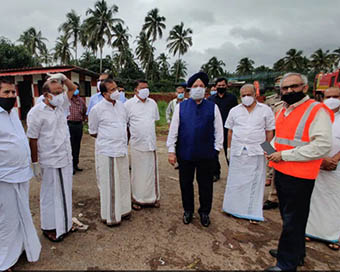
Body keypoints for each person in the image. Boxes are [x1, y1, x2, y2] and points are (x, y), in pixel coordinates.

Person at [266, 72, 333, 271]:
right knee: (290, 217)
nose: (288, 91)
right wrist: (267, 150)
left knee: (293, 219)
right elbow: (278, 139)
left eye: (293, 87)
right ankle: (295, 253)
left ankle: (286, 264)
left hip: (300, 175)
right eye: (285, 88)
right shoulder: (283, 111)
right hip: (283, 172)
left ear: (304, 87)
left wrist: (283, 156)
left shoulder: (316, 110)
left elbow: (322, 146)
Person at [167, 71, 224, 227]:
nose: (198, 88)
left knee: (206, 185)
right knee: (186, 184)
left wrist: (216, 150)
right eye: (195, 86)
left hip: (206, 154)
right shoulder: (181, 107)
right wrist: (171, 150)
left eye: (201, 86)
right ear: (189, 89)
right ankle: (188, 211)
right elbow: (174, 130)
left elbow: (219, 131)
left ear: (205, 89)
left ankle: (204, 212)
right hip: (185, 153)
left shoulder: (213, 108)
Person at [27, 73, 77, 242]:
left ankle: (65, 224)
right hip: (48, 159)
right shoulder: (36, 112)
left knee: (65, 193)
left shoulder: (61, 105)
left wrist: (63, 78)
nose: (60, 94)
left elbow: (73, 88)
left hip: (65, 157)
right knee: (50, 195)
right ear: (46, 95)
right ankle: (49, 227)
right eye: (55, 92)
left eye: (60, 91)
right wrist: (35, 163)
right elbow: (32, 139)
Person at [0, 78, 41, 271]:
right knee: (6, 218)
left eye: (12, 93)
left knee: (22, 213)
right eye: (6, 93)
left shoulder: (13, 114)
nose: (11, 96)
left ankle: (20, 248)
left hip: (20, 174)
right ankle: (4, 261)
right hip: (4, 177)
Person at [222, 84, 275, 222]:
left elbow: (269, 131)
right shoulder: (234, 111)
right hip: (238, 150)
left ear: (255, 95)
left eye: (249, 94)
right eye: (243, 95)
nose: (246, 97)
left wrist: (268, 150)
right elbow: (230, 131)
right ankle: (232, 208)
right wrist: (228, 149)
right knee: (236, 181)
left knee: (254, 182)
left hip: (257, 151)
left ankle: (252, 212)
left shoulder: (265, 110)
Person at [88, 79, 131, 226]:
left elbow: (125, 126)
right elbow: (93, 132)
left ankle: (124, 210)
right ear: (104, 93)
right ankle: (111, 216)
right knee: (110, 185)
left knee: (123, 181)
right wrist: (109, 138)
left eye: (116, 88)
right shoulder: (97, 109)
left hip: (121, 149)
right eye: (112, 90)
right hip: (107, 151)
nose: (116, 92)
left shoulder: (122, 107)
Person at [305, 87, 340, 250]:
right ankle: (310, 231)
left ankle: (333, 236)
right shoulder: (316, 115)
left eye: (336, 96)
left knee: (334, 199)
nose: (332, 99)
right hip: (315, 162)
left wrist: (334, 159)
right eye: (329, 96)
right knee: (313, 197)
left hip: (336, 166)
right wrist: (321, 159)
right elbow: (308, 138)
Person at [124, 80, 160, 210]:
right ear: (135, 90)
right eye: (142, 88)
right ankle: (137, 199)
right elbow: (125, 125)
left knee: (151, 173)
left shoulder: (153, 103)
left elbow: (154, 121)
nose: (146, 90)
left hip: (151, 144)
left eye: (147, 88)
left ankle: (152, 198)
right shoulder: (128, 105)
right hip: (137, 144)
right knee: (137, 174)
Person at [208, 77, 238, 182]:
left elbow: (236, 113)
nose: (221, 87)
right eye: (219, 85)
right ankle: (215, 173)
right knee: (214, 153)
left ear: (226, 86)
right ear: (215, 86)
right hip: (215, 130)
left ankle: (234, 173)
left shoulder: (232, 98)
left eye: (223, 85)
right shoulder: (211, 99)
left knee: (229, 151)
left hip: (228, 130)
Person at [263, 76, 284, 210]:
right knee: (269, 158)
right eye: (277, 82)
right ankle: (272, 193)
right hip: (270, 135)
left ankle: (277, 195)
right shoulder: (269, 100)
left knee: (282, 164)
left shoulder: (295, 100)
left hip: (284, 136)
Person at [67, 82, 87, 175]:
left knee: (77, 145)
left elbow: (84, 112)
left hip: (78, 125)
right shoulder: (67, 100)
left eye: (77, 89)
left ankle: (75, 164)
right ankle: (70, 166)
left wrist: (83, 120)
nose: (76, 91)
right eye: (74, 89)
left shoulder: (81, 100)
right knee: (70, 145)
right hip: (69, 125)